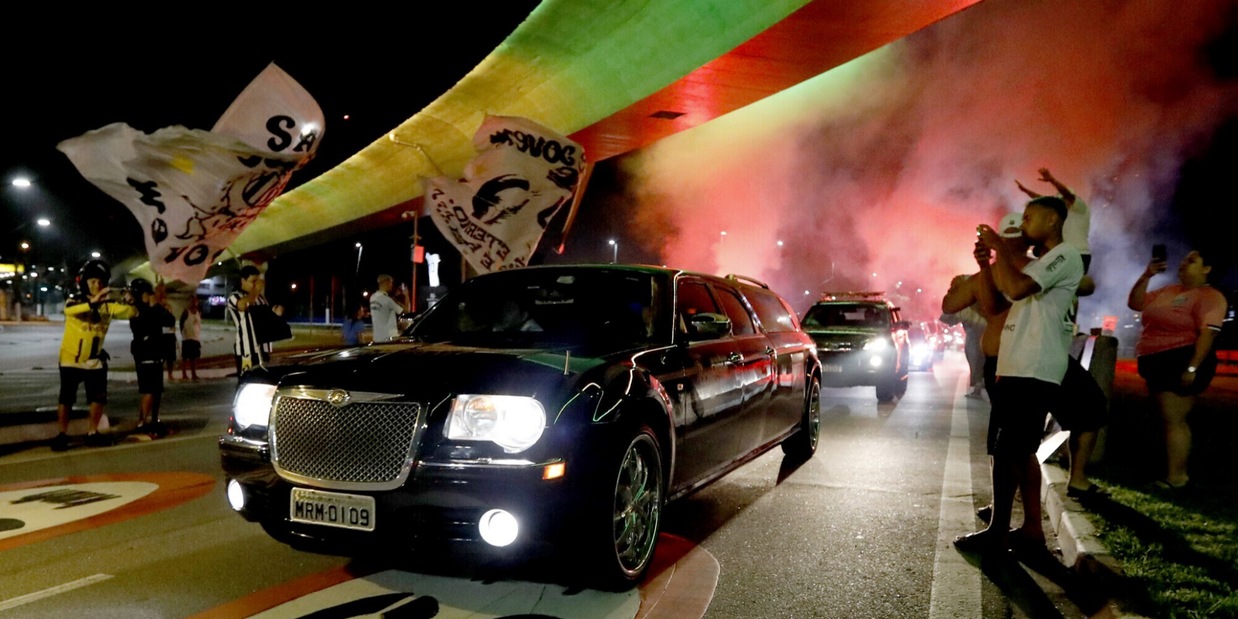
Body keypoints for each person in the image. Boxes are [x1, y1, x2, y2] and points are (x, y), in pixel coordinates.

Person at [953, 196, 1083, 557]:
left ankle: (998, 532)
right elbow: (995, 306)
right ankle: (1030, 531)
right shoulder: (1037, 264)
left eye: (1029, 217)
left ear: (1052, 221)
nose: (1023, 223)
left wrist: (999, 248)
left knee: (1008, 449)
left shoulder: (1065, 255)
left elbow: (1018, 288)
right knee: (1016, 449)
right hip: (1016, 366)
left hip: (1034, 367)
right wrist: (986, 266)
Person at [1127, 248, 1227, 490]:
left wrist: (1192, 367)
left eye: (1192, 261)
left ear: (1207, 269)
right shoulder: (1171, 290)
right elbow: (1136, 303)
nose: (1183, 263)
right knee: (1165, 418)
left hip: (1180, 358)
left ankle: (1177, 477)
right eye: (1184, 259)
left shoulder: (1210, 296)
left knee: (1174, 419)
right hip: (1156, 361)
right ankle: (1167, 470)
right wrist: (1146, 276)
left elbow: (1208, 334)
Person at [51, 260, 138, 451]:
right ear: (84, 282)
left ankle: (93, 432)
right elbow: (70, 310)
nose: (96, 284)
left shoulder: (107, 307)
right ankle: (62, 434)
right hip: (70, 359)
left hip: (94, 360)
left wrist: (131, 300)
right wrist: (92, 302)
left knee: (98, 399)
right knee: (66, 398)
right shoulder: (75, 300)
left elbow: (130, 312)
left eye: (100, 281)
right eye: (92, 281)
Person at [1015, 167, 1093, 281]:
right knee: (1063, 288)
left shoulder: (1079, 208)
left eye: (1064, 199)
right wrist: (1026, 191)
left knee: (1068, 287)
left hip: (1079, 253)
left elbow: (1066, 194)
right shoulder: (1060, 213)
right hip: (1064, 253)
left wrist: (1052, 180)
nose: (1062, 203)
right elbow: (1042, 200)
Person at [128, 278, 174, 435]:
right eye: (149, 294)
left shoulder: (151, 309)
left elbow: (169, 320)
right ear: (142, 295)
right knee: (148, 390)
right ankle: (142, 422)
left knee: (156, 390)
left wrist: (159, 306)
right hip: (146, 354)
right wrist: (156, 306)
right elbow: (145, 324)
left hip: (154, 353)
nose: (151, 296)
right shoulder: (137, 310)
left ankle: (153, 419)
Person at [941, 274, 988, 398]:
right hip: (977, 336)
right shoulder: (968, 303)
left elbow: (948, 314)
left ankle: (980, 384)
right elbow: (948, 315)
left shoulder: (974, 301)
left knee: (978, 361)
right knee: (976, 362)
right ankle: (979, 384)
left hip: (980, 337)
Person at [227, 265, 272, 376]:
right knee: (248, 382)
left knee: (264, 383)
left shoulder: (260, 298)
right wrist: (256, 290)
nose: (256, 284)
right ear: (243, 281)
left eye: (258, 281)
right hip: (247, 350)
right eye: (253, 281)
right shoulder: (235, 297)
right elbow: (243, 305)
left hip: (264, 349)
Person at [369, 274, 403, 343]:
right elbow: (405, 310)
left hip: (377, 338)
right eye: (391, 282)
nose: (391, 285)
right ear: (386, 282)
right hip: (390, 339)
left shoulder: (372, 298)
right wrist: (406, 295)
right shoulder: (387, 300)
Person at [179, 294, 202, 380]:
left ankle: (193, 374)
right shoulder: (186, 312)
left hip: (195, 337)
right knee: (185, 357)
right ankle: (184, 374)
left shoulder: (198, 312)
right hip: (187, 338)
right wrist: (183, 332)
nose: (194, 302)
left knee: (193, 357)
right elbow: (181, 323)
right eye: (192, 300)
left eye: (195, 301)